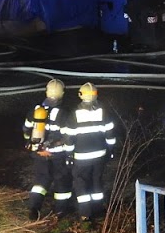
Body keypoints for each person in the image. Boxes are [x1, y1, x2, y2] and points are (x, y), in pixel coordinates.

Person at [63, 81, 116, 220]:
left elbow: (69, 137)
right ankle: (98, 210)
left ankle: (85, 213)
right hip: (100, 155)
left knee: (81, 183)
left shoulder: (74, 114)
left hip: (81, 157)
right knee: (97, 181)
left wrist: (68, 155)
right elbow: (110, 134)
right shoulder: (103, 112)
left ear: (81, 95)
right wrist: (111, 150)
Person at [23, 79, 73, 221]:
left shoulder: (35, 111)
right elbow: (68, 136)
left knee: (40, 181)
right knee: (62, 183)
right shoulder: (64, 113)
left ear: (47, 92)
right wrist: (69, 154)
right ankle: (60, 212)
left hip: (39, 153)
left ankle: (34, 209)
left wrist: (36, 147)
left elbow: (26, 130)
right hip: (58, 155)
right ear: (62, 93)